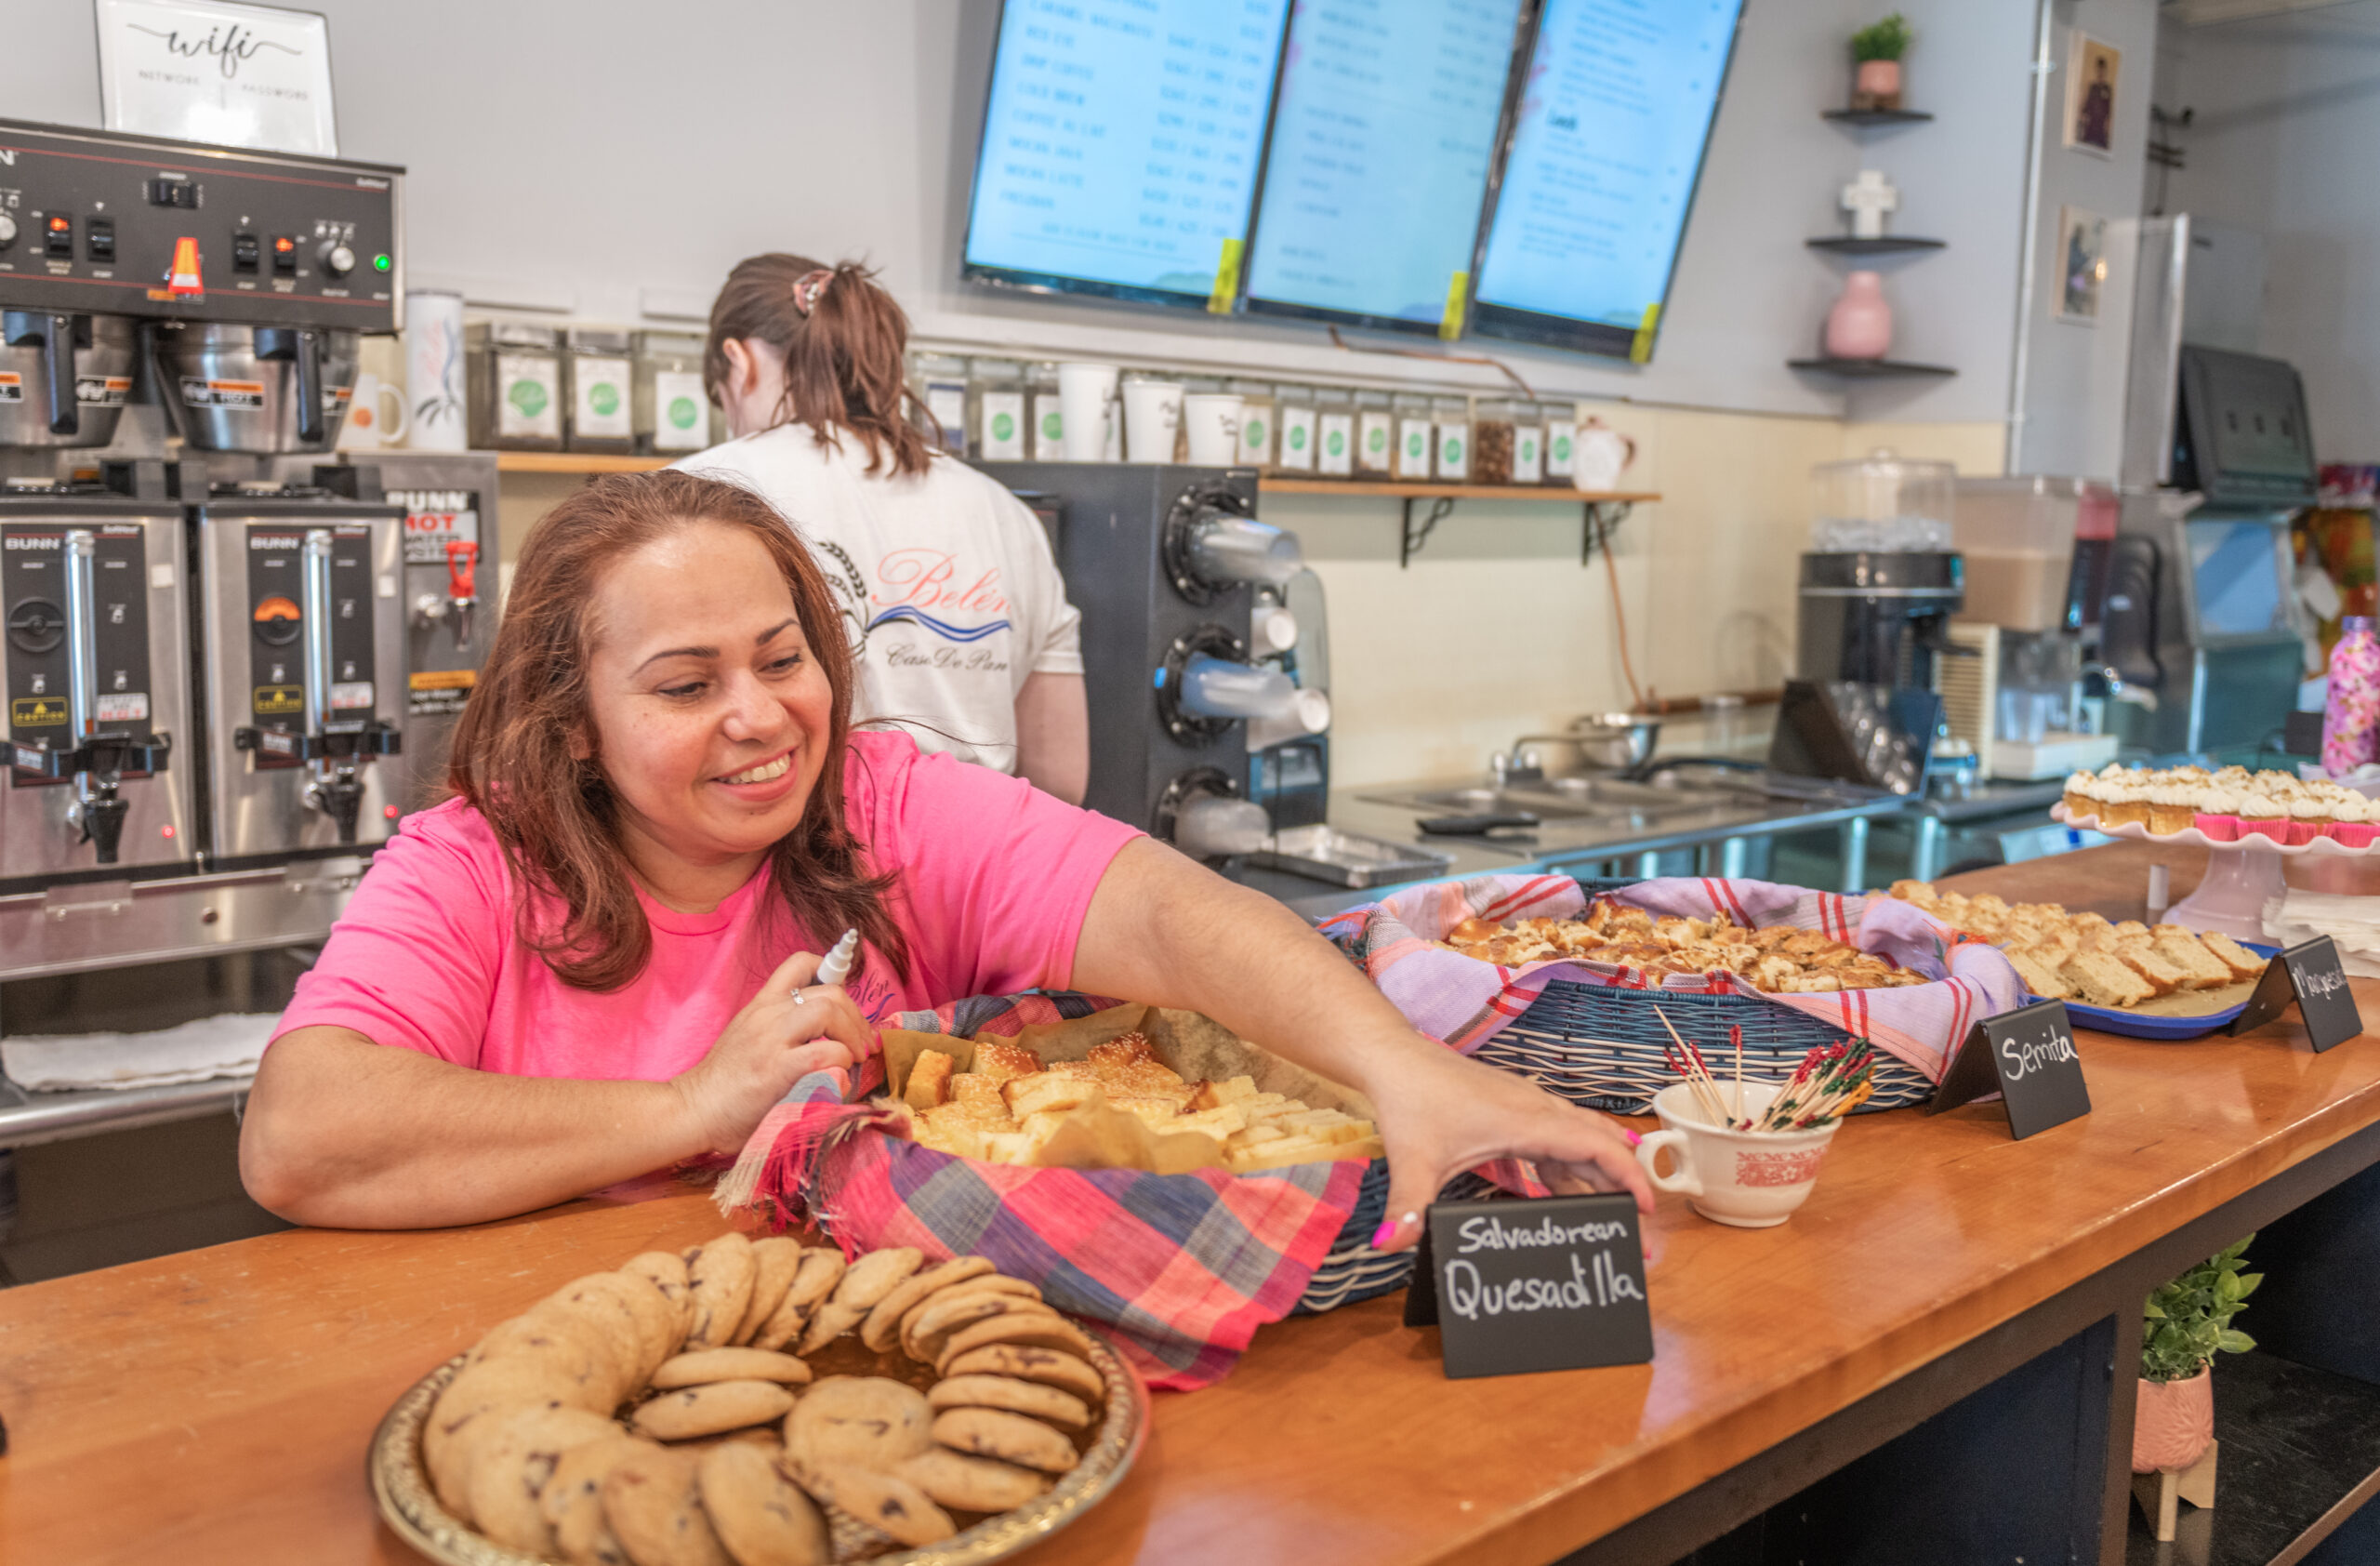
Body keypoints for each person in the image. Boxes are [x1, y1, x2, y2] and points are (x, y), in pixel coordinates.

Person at [238, 471, 1649, 1245]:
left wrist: (1410, 1073)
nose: (758, 719)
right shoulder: (477, 862)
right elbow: (304, 1138)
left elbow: (1166, 914)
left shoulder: (881, 804)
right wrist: (689, 1105)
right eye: (682, 686)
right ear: (574, 718)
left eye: (782, 660)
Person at [676, 254, 1089, 804]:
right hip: (975, 866)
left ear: (739, 361)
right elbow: (1060, 779)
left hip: (801, 867)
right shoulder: (1003, 512)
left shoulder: (690, 499)